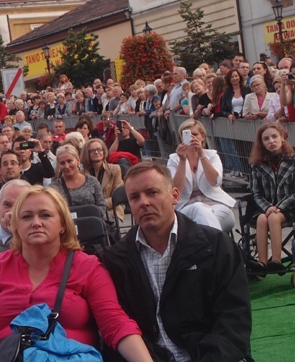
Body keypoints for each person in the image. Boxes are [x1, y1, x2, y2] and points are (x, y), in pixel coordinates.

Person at [0, 186, 152, 361]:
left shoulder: (87, 267)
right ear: (16, 225)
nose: (36, 223)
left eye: (45, 215)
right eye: (26, 217)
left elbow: (114, 323)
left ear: (62, 224)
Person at [103, 162, 252, 361]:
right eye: (135, 197)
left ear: (175, 195)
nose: (144, 202)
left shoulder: (216, 246)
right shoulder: (116, 259)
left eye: (152, 192)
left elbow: (233, 319)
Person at [167, 119, 236, 232]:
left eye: (195, 134)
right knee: (199, 209)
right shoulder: (174, 159)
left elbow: (215, 182)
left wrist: (202, 154)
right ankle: (220, 247)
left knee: (202, 222)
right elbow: (176, 189)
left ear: (203, 137)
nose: (192, 138)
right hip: (187, 207)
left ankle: (210, 247)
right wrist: (182, 161)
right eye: (187, 135)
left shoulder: (212, 155)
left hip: (215, 204)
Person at [248, 123, 295, 275]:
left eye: (274, 136)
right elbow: (256, 193)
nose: (271, 141)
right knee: (262, 218)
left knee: (273, 218)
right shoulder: (256, 164)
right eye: (266, 139)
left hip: (289, 207)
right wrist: (268, 207)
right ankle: (262, 263)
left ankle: (276, 261)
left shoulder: (292, 160)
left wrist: (279, 207)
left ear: (282, 137)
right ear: (261, 143)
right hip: (266, 208)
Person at [51, 145, 107, 219]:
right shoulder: (54, 188)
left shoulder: (92, 181)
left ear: (78, 160)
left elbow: (102, 206)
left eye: (69, 161)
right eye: (62, 163)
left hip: (92, 224)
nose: (67, 166)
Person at [80, 139, 124, 221]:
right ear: (87, 153)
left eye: (99, 149)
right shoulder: (81, 173)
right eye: (92, 150)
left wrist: (100, 206)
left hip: (112, 210)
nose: (96, 152)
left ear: (103, 151)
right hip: (90, 213)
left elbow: (117, 196)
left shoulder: (115, 169)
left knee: (104, 224)